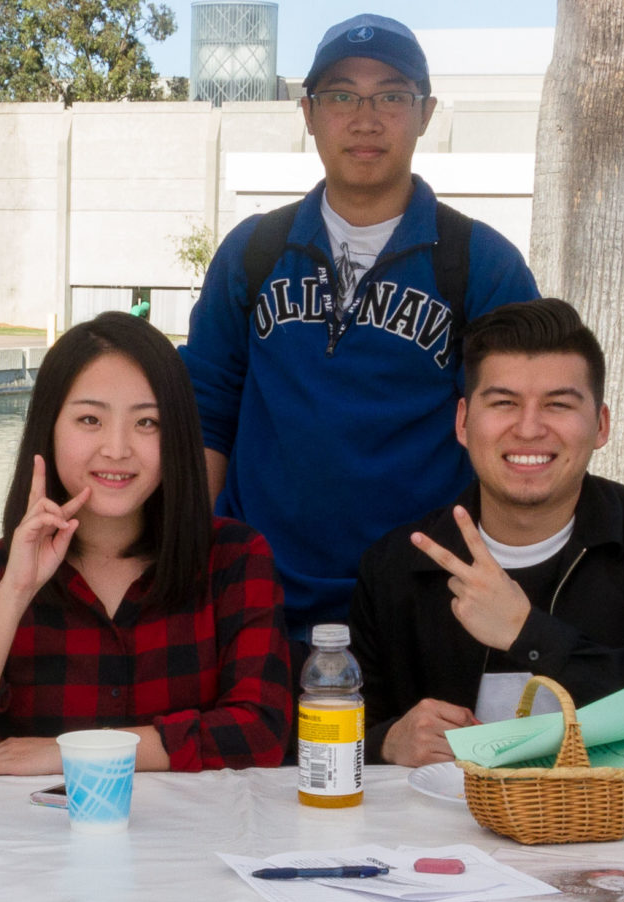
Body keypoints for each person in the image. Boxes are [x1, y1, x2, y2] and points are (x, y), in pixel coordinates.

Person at [182, 13, 537, 644]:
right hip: (256, 599)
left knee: (408, 744)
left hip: (420, 605)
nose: (365, 118)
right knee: (257, 745)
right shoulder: (254, 252)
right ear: (309, 112)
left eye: (392, 96)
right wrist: (196, 561)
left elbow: (514, 437)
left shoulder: (481, 263)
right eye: (342, 95)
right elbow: (208, 415)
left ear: (426, 112)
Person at [351, 299, 624, 766]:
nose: (529, 428)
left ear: (600, 425)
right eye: (503, 403)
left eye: (558, 405)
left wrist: (528, 632)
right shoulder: (400, 561)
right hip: (436, 834)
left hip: (615, 830)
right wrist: (385, 743)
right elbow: (335, 732)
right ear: (462, 423)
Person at [0, 311, 291, 774]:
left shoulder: (234, 559)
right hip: (43, 839)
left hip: (196, 840)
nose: (117, 448)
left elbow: (260, 732)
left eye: (147, 423)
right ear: (49, 426)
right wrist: (14, 592)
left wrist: (72, 750)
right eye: (90, 419)